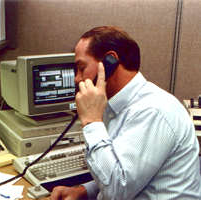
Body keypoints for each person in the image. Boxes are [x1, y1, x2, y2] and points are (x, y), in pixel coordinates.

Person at [50, 26, 201, 199]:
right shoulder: (114, 105)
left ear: (110, 62)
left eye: (81, 68)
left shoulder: (153, 110)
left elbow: (118, 190)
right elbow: (129, 173)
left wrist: (92, 121)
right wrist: (85, 191)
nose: (77, 78)